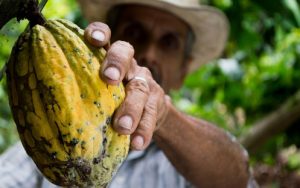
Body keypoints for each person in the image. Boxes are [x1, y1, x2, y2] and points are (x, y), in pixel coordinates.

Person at [0, 0, 258, 187]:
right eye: (135, 32)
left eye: (169, 42)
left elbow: (237, 177)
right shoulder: (44, 137)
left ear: (184, 69)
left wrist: (164, 116)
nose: (149, 53)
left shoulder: (189, 163)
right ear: (104, 43)